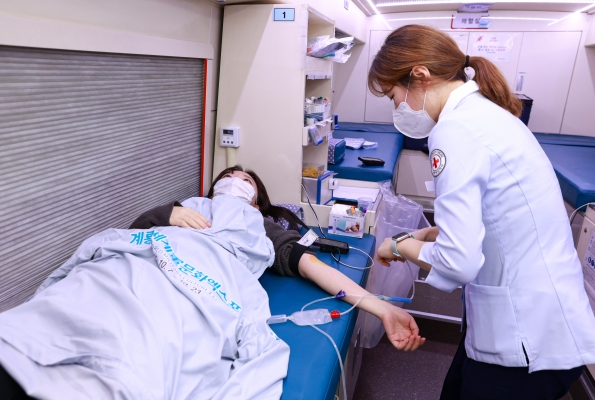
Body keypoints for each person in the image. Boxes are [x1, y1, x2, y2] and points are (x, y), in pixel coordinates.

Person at [369, 24, 595, 400]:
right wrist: (427, 235)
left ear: (420, 75)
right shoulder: (488, 115)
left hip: (524, 341)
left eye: (394, 97)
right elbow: (498, 222)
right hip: (539, 324)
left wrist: (397, 245)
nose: (398, 110)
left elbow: (458, 262)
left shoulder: (455, 131)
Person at [131, 164, 425, 352]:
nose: (233, 181)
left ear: (256, 203)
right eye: (227, 177)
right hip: (150, 264)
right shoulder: (189, 206)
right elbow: (134, 233)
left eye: (245, 180)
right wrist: (168, 214)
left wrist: (382, 309)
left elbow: (311, 266)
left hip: (196, 281)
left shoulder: (257, 223)